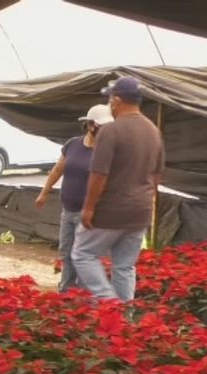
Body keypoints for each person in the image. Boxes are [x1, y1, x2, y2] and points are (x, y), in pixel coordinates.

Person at [72, 76, 165, 302]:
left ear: (116, 100)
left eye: (110, 100)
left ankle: (110, 303)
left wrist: (89, 208)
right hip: (140, 212)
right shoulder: (154, 131)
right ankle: (125, 314)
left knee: (83, 254)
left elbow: (99, 174)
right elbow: (156, 176)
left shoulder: (111, 131)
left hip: (111, 211)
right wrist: (145, 201)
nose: (110, 105)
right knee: (124, 266)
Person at [36, 104, 115, 293]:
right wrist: (44, 192)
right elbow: (58, 170)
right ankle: (67, 291)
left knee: (85, 256)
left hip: (90, 214)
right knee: (66, 252)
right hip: (68, 210)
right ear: (90, 125)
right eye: (102, 127)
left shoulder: (107, 151)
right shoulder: (73, 144)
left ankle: (86, 293)